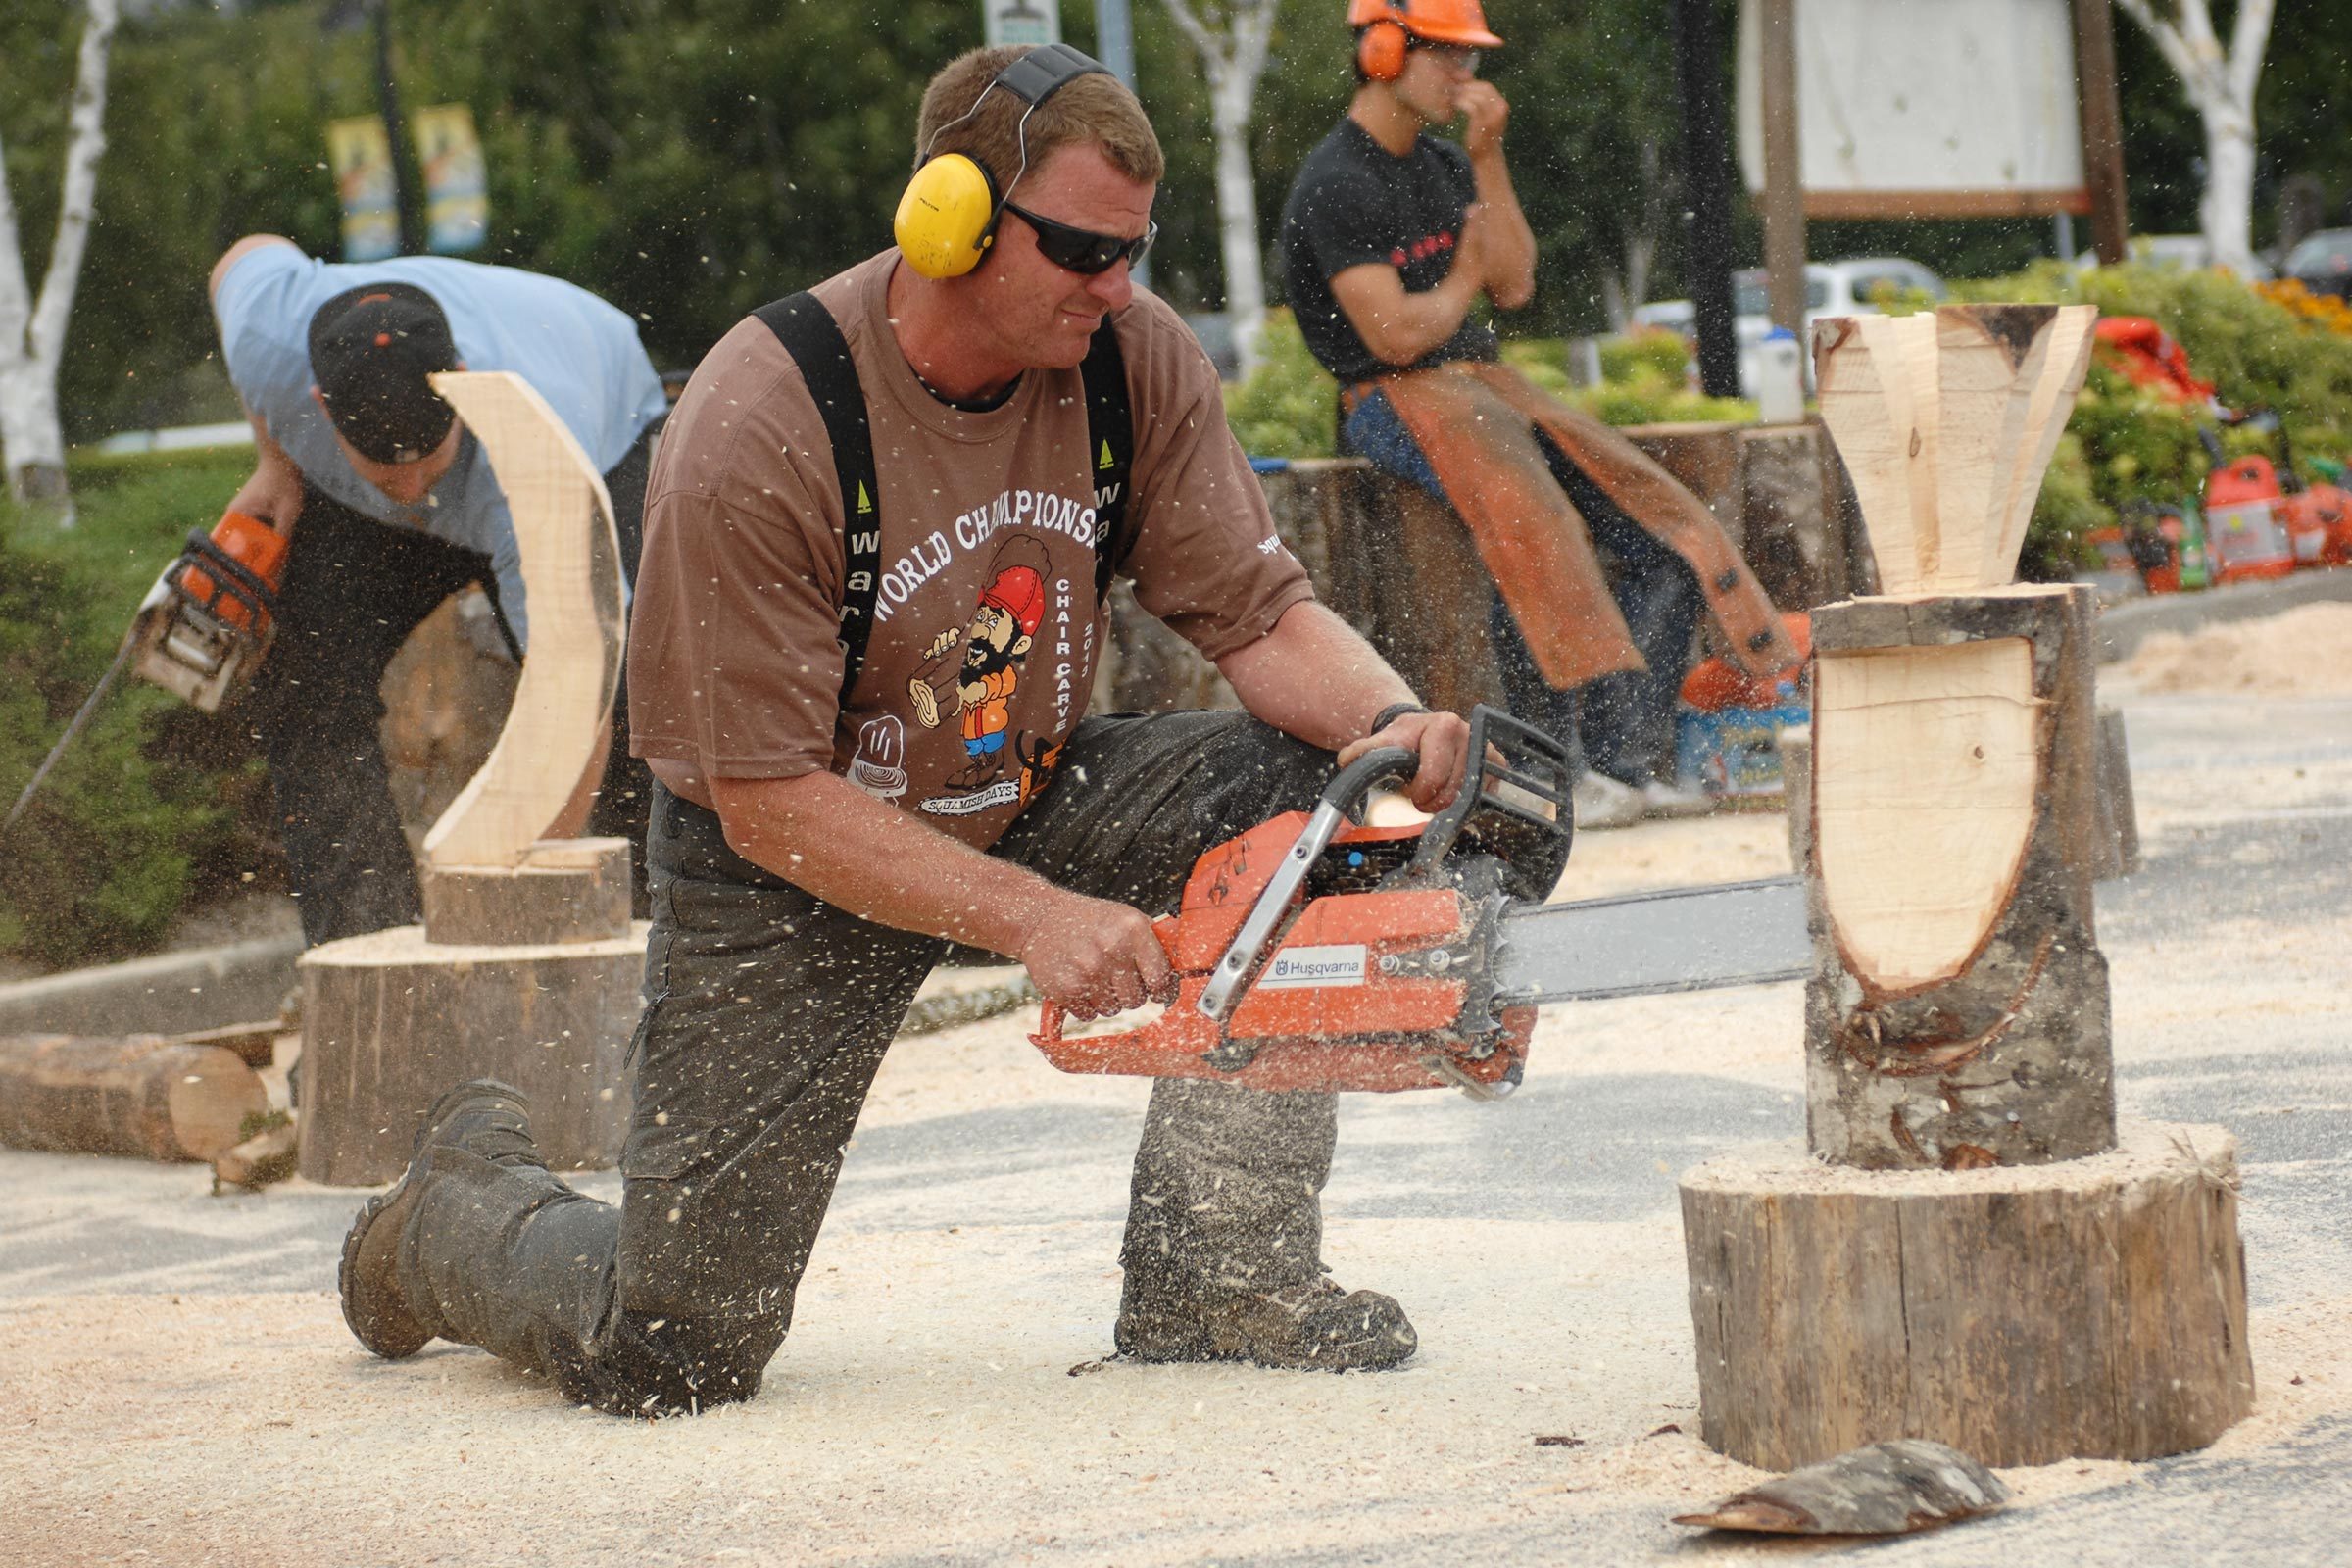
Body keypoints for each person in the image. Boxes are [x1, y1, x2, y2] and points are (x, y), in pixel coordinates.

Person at [336, 43, 1480, 1417]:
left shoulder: (1131, 357)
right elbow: (761, 795)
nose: (1115, 285)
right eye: (1078, 251)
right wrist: (1039, 919)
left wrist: (1391, 721)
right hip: (791, 859)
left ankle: (1218, 1268)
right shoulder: (768, 416)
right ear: (952, 217)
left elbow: (1255, 617)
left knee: (1315, 801)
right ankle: (455, 1206)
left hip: (1019, 785)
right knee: (672, 1349)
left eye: (1132, 250)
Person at [1277, 0, 1795, 828]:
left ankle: (1624, 765)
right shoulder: (1337, 183)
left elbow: (1513, 283)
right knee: (1532, 532)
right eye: (1446, 56)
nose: (1465, 76)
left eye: (1470, 58)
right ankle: (1560, 773)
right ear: (1381, 50)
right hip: (1389, 396)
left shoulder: (1448, 165)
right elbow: (1394, 333)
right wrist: (1458, 281)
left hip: (1481, 381)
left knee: (1668, 532)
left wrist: (1489, 160)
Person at [208, 238, 669, 945]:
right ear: (321, 406)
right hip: (380, 506)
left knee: (638, 701)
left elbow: (579, 705)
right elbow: (239, 260)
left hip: (598, 444)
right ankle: (363, 951)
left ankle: (638, 950)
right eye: (388, 473)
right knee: (302, 684)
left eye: (428, 460)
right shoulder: (269, 331)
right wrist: (277, 462)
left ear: (459, 378)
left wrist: (510, 895)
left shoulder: (541, 470)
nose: (414, 485)